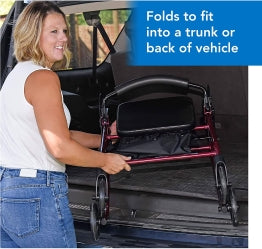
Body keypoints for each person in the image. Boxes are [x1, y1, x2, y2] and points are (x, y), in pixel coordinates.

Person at [0, 1, 131, 248]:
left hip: (10, 191)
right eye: (53, 31)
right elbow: (59, 147)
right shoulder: (43, 78)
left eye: (64, 31)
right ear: (32, 34)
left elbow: (60, 133)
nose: (63, 38)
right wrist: (105, 161)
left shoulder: (16, 75)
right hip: (37, 192)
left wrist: (105, 137)